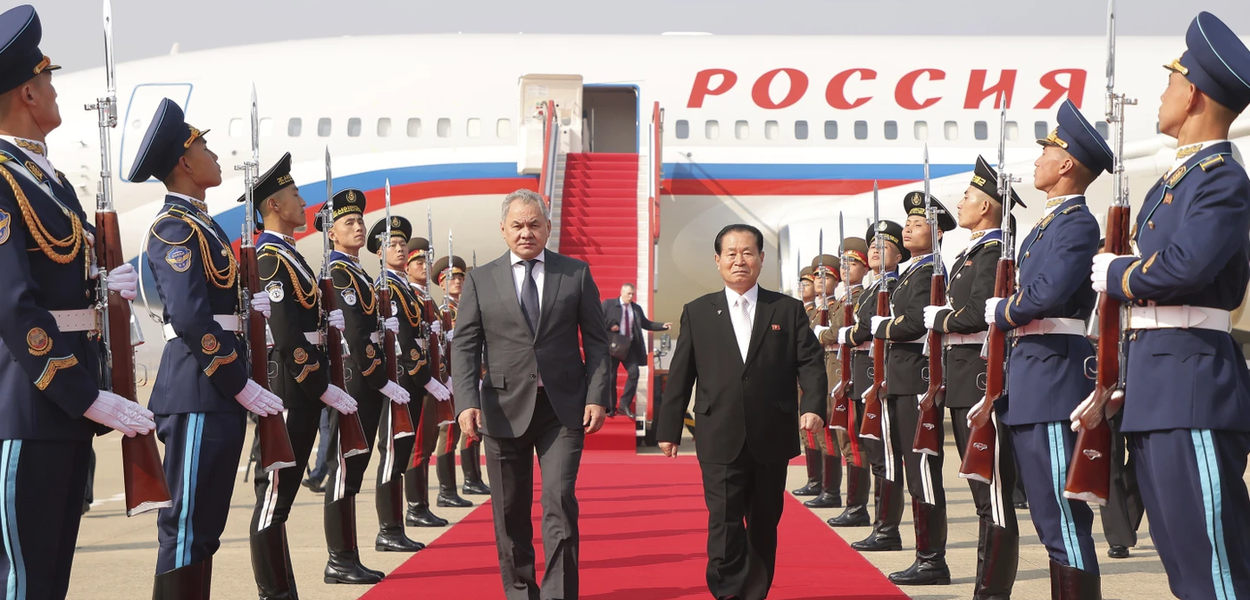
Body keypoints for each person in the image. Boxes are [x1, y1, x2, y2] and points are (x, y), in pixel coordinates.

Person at [1089, 12, 1250, 598]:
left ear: (1194, 94)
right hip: (1157, 380)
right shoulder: (1172, 183)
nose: (1161, 96)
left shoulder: (1220, 179)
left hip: (1192, 385)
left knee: (1214, 561)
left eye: (1168, 84)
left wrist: (1119, 273)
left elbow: (1185, 267)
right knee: (1182, 557)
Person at [0, 6, 150, 598]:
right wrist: (84, 394)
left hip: (65, 409)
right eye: (49, 80)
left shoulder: (51, 182)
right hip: (29, 406)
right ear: (28, 93)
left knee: (54, 575)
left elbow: (65, 273)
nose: (58, 91)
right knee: (25, 577)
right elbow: (14, 307)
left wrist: (104, 291)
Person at [132, 97, 284, 598]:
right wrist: (239, 383)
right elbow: (191, 318)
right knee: (186, 528)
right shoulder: (174, 228)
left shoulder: (205, 224)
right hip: (198, 389)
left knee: (206, 532)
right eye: (205, 147)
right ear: (184, 161)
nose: (216, 157)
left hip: (215, 388)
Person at [451, 189, 611, 600]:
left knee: (559, 502)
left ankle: (559, 594)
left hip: (562, 409)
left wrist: (596, 395)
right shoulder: (479, 279)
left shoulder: (574, 274)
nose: (527, 232)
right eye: (518, 225)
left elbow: (596, 341)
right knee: (509, 511)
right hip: (501, 410)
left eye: (534, 224)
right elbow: (465, 345)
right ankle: (521, 592)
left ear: (548, 228)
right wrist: (466, 401)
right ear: (503, 230)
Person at [657, 223, 827, 600]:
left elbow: (812, 363)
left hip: (772, 432)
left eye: (747, 252)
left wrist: (813, 407)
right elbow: (681, 373)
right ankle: (727, 592)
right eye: (730, 254)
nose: (739, 260)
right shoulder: (698, 312)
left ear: (762, 259)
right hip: (718, 432)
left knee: (764, 523)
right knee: (724, 523)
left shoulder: (787, 308)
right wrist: (667, 429)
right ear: (717, 261)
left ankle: (754, 592)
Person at [986, 101, 1107, 597]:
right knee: (1046, 515)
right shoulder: (1045, 225)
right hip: (1033, 378)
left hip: (1055, 379)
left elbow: (1048, 294)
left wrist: (1002, 310)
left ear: (1066, 164)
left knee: (1062, 517)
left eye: (1047, 151)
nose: (1037, 161)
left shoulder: (1076, 224)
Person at [243, 153, 360, 598]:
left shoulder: (290, 255)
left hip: (304, 386)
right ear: (273, 204)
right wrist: (320, 384)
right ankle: (274, 592)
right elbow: (287, 333)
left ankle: (283, 588)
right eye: (294, 195)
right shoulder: (270, 258)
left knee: (283, 499)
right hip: (289, 388)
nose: (303, 201)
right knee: (273, 496)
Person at [926, 174, 1021, 598]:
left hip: (982, 378)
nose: (960, 203)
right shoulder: (974, 251)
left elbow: (978, 312)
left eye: (967, 197)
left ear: (985, 207)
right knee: (982, 494)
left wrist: (941, 318)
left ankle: (993, 590)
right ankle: (986, 586)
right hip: (963, 376)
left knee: (993, 496)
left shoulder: (993, 252)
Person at [316, 189, 413, 584]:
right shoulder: (338, 271)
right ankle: (339, 559)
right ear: (332, 233)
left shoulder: (355, 271)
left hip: (366, 382)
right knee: (345, 471)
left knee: (353, 472)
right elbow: (356, 336)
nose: (358, 227)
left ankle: (348, 556)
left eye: (359, 221)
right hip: (356, 382)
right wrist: (382, 380)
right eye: (348, 223)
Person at [868, 195, 954, 587]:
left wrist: (880, 326)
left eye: (917, 224)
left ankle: (932, 559)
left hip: (916, 379)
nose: (908, 227)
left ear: (935, 233)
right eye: (908, 222)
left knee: (923, 472)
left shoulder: (930, 270)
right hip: (901, 379)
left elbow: (912, 324)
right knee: (911, 469)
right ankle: (925, 555)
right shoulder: (911, 272)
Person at [366, 215, 450, 552]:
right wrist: (426, 378)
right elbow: (401, 337)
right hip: (399, 381)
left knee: (400, 456)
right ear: (380, 252)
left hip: (412, 382)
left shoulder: (404, 287)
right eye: (393, 246)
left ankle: (396, 526)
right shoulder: (386, 286)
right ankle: (388, 530)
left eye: (403, 244)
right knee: (392, 456)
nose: (400, 249)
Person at [846, 223, 905, 549]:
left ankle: (887, 530)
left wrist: (852, 335)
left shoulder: (893, 286)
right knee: (873, 451)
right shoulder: (872, 288)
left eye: (884, 246)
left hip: (877, 377)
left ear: (898, 255)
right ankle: (882, 526)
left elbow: (866, 328)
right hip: (863, 375)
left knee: (884, 456)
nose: (874, 250)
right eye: (873, 245)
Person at [819, 238, 873, 527]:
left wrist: (823, 333)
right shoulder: (842, 300)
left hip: (849, 372)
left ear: (864, 268)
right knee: (841, 436)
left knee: (853, 439)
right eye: (843, 262)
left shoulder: (862, 296)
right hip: (835, 371)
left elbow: (842, 332)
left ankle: (857, 507)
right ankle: (851, 503)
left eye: (852, 263)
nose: (845, 267)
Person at [402, 237, 452, 528]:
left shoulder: (428, 297)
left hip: (436, 378)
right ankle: (415, 507)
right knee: (418, 446)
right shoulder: (409, 293)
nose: (423, 266)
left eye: (425, 261)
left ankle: (422, 503)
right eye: (417, 262)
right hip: (419, 380)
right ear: (408, 267)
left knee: (429, 442)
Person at [430, 253, 476, 506]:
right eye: (451, 278)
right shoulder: (444, 310)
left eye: (460, 277)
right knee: (448, 433)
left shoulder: (461, 308)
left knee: (464, 430)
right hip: (450, 379)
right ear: (441, 283)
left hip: (465, 377)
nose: (457, 282)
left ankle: (468, 480)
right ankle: (446, 491)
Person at [802, 255, 844, 510]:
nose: (819, 280)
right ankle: (820, 484)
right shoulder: (816, 309)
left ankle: (831, 491)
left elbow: (833, 334)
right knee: (817, 433)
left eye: (825, 276)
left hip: (833, 373)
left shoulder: (838, 306)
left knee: (836, 434)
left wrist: (822, 334)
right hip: (820, 369)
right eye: (816, 276)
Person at [602, 283, 671, 418]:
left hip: (629, 347)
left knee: (634, 373)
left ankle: (624, 405)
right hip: (613, 346)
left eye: (632, 294)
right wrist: (611, 325)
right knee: (611, 377)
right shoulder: (608, 304)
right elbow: (597, 320)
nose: (631, 296)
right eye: (628, 294)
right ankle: (610, 407)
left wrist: (662, 326)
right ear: (621, 292)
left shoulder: (636, 308)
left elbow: (646, 323)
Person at [792, 266, 823, 498]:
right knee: (808, 434)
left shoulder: (821, 310)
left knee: (833, 438)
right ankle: (815, 481)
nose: (804, 287)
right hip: (803, 379)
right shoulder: (805, 311)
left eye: (808, 282)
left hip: (829, 376)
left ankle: (826, 487)